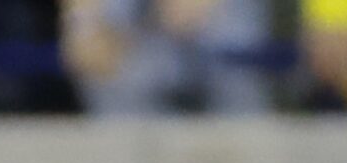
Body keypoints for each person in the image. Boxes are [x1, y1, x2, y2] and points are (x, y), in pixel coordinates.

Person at [60, 0, 275, 113]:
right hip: (147, 55)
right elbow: (84, 38)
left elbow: (185, 16)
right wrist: (85, 29)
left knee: (231, 59)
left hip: (213, 49)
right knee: (106, 71)